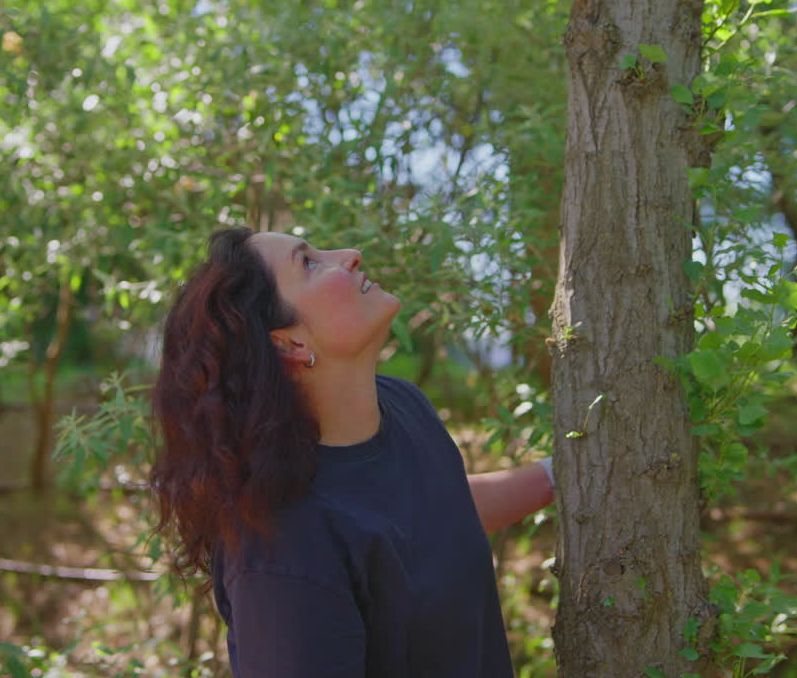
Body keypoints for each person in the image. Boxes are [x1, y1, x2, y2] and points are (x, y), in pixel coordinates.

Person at [150, 227, 556, 677]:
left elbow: (429, 517)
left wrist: (558, 475)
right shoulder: (281, 551)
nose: (351, 255)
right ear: (290, 343)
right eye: (308, 262)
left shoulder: (405, 407)